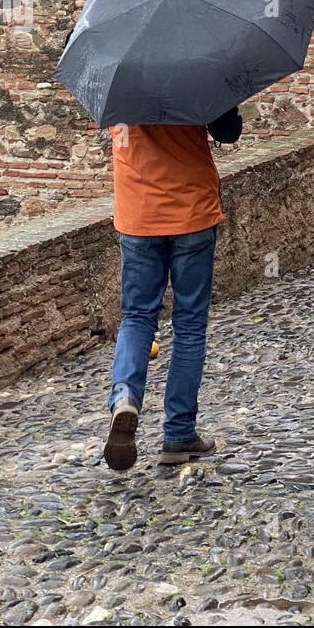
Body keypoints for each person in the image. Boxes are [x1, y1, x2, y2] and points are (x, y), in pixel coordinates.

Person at [102, 108, 243, 471]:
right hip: (191, 214)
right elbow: (229, 132)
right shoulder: (198, 71)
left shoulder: (117, 76)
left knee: (136, 317)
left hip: (138, 216)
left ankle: (124, 396)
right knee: (189, 326)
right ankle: (178, 434)